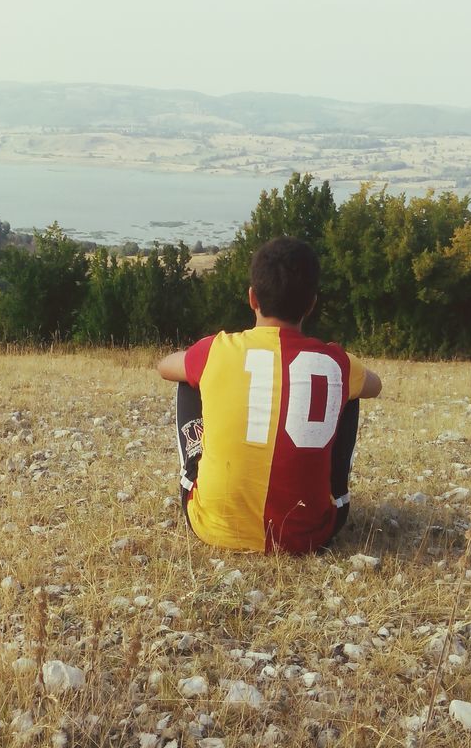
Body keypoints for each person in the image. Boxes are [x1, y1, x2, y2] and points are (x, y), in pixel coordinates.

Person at [157, 236, 382, 554]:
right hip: (311, 534)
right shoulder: (335, 362)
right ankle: (335, 489)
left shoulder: (217, 350)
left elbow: (164, 366)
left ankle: (196, 462)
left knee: (188, 379)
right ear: (312, 303)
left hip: (213, 526)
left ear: (252, 298)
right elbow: (375, 386)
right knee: (349, 392)